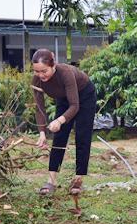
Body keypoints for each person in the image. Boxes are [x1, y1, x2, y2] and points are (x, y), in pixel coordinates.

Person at [31, 49, 97, 196]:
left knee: (82, 135)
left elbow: (75, 106)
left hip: (84, 95)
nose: (40, 75)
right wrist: (42, 133)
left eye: (44, 71)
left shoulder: (65, 73)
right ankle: (51, 179)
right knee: (59, 136)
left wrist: (60, 120)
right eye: (36, 71)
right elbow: (39, 108)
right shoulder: (36, 81)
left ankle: (78, 179)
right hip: (63, 98)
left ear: (53, 65)